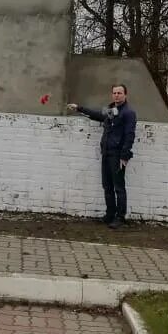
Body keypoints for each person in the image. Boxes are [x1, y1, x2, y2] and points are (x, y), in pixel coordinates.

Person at [67, 84, 137, 229]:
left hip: (118, 155)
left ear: (125, 95)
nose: (117, 95)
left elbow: (130, 135)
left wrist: (124, 156)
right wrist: (79, 108)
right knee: (107, 186)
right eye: (114, 93)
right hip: (106, 152)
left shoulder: (129, 113)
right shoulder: (112, 110)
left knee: (118, 187)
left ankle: (120, 217)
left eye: (119, 93)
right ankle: (109, 215)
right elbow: (98, 114)